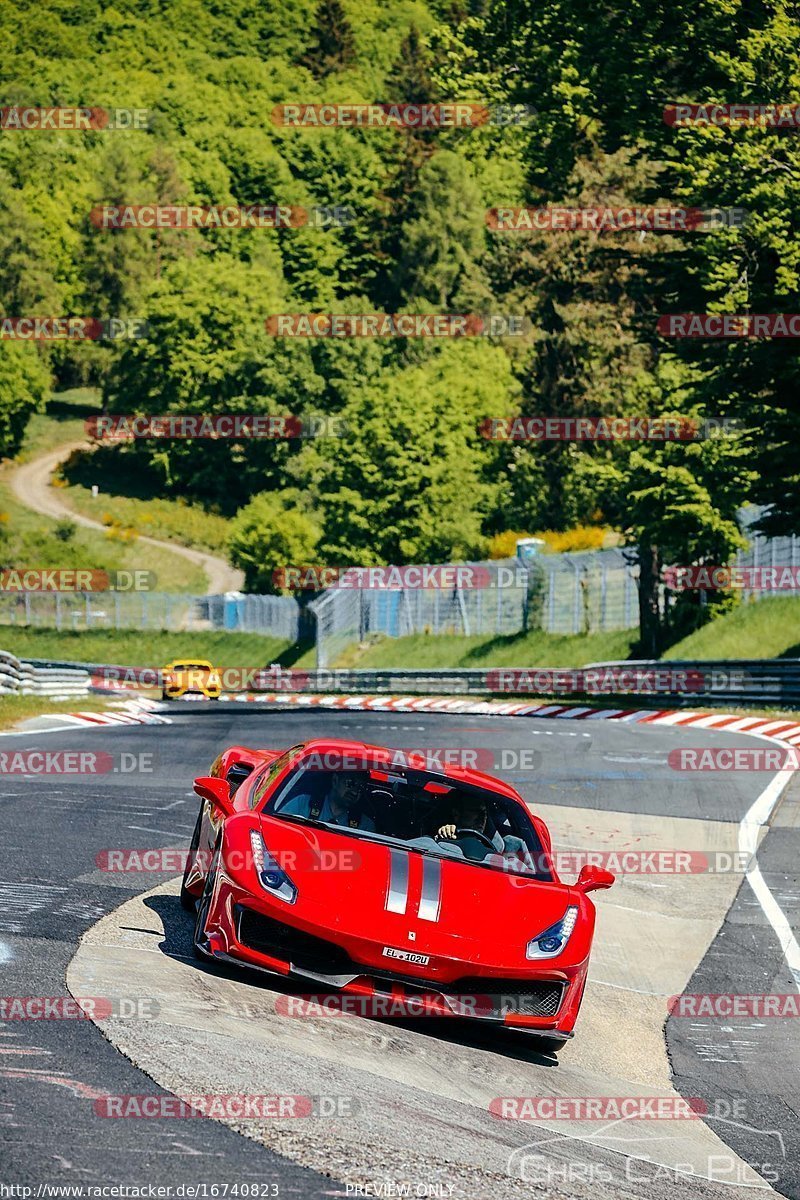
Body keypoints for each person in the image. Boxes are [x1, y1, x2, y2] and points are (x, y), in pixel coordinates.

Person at [281, 772, 375, 832]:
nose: (355, 792)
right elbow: (278, 828)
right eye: (350, 783)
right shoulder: (302, 803)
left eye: (360, 787)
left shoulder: (365, 826)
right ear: (335, 780)